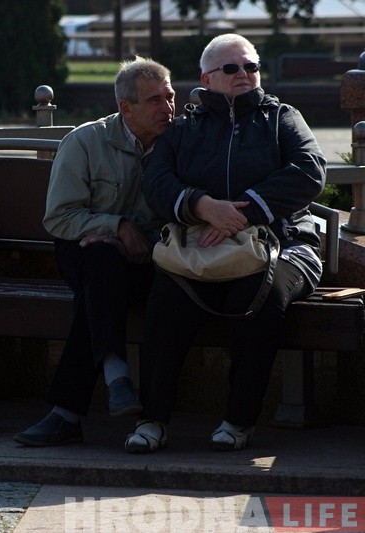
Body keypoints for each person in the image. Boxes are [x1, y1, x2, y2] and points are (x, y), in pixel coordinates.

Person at [125, 34, 326, 453]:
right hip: (200, 244)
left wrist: (243, 212)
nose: (244, 75)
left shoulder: (282, 118)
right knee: (165, 297)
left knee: (262, 295)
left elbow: (309, 172)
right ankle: (153, 419)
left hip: (285, 242)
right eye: (231, 68)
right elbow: (157, 182)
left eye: (251, 66)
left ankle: (238, 420)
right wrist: (201, 206)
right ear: (207, 78)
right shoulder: (184, 129)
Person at [13, 57, 176, 447]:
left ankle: (68, 412)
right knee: (102, 261)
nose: (167, 108)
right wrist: (116, 228)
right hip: (86, 255)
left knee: (98, 294)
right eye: (154, 100)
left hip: (152, 259)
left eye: (170, 96)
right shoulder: (86, 142)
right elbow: (59, 218)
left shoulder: (177, 144)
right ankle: (115, 374)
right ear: (126, 108)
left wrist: (143, 242)